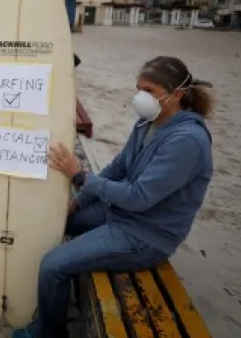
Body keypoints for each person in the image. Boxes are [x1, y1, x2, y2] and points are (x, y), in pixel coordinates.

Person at [13, 56, 215, 338]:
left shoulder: (187, 141)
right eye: (138, 89)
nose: (140, 97)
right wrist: (76, 203)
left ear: (177, 94)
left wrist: (80, 176)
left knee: (52, 264)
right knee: (56, 223)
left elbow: (139, 197)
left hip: (146, 234)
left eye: (149, 91)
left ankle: (48, 332)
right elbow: (117, 169)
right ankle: (57, 301)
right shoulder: (147, 122)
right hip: (121, 213)